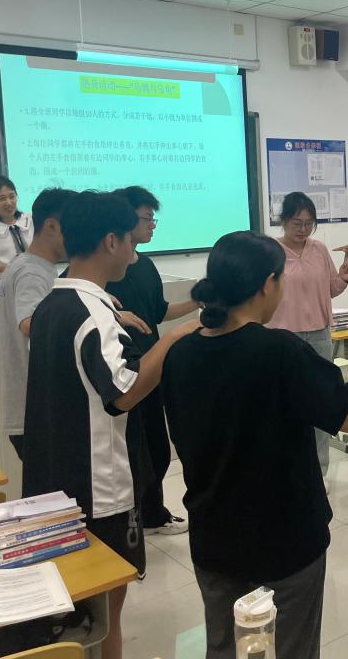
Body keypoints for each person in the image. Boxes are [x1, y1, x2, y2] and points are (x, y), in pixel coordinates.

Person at [162, 231, 348, 659]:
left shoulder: (180, 355)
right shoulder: (280, 351)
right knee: (293, 648)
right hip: (286, 539)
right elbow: (344, 415)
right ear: (268, 284)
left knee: (224, 647)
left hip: (214, 536)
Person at [22, 191, 198, 659]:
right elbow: (124, 394)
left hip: (57, 477)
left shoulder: (53, 304)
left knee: (78, 609)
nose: (133, 253)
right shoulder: (95, 317)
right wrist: (173, 340)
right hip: (99, 489)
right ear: (111, 241)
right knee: (103, 611)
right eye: (129, 240)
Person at [107, 186, 199, 537]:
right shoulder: (103, 271)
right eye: (146, 218)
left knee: (157, 448)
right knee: (133, 451)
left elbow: (158, 312)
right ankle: (139, 517)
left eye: (152, 219)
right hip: (122, 373)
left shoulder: (145, 265)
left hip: (152, 369)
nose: (152, 225)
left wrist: (198, 302)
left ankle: (152, 513)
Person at [267, 191, 348, 480]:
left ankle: (319, 472)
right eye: (297, 223)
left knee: (320, 404)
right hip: (284, 337)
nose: (303, 229)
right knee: (285, 405)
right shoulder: (270, 252)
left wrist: (343, 278)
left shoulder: (319, 249)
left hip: (319, 335)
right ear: (283, 221)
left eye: (308, 224)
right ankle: (287, 471)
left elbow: (330, 290)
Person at [0, 187, 77, 461]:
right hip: (34, 412)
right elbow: (30, 324)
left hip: (33, 408)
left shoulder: (33, 266)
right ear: (52, 226)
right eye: (74, 228)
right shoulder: (31, 271)